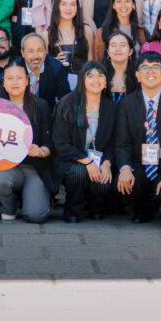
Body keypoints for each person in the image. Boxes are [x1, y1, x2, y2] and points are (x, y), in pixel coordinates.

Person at [113, 51, 161, 223]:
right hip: (138, 163)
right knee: (122, 182)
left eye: (156, 68)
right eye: (145, 68)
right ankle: (142, 208)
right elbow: (122, 143)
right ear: (137, 75)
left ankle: (160, 204)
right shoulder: (127, 103)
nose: (150, 72)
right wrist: (125, 168)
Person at [0, 58, 53, 222]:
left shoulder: (41, 105)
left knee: (36, 215)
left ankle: (38, 197)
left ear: (27, 80)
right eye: (10, 78)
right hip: (8, 167)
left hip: (33, 168)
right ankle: (10, 206)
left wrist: (41, 151)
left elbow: (52, 142)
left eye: (19, 78)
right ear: (3, 81)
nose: (14, 82)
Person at [53, 61, 117, 222]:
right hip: (72, 160)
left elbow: (115, 141)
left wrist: (107, 163)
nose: (96, 80)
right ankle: (73, 209)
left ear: (106, 81)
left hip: (100, 159)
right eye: (90, 76)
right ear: (82, 79)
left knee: (104, 178)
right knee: (79, 172)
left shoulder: (112, 108)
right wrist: (87, 162)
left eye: (100, 76)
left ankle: (96, 207)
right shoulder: (67, 104)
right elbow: (60, 143)